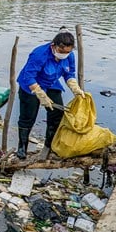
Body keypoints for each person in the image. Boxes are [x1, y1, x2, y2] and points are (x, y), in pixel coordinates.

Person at [16, 27, 85, 160]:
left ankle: (49, 144)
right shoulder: (39, 54)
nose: (64, 54)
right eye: (61, 51)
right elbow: (29, 76)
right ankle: (22, 146)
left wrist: (75, 88)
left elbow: (69, 74)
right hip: (30, 86)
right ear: (54, 45)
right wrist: (41, 95)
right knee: (27, 117)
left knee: (57, 113)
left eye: (67, 52)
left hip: (51, 83)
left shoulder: (69, 55)